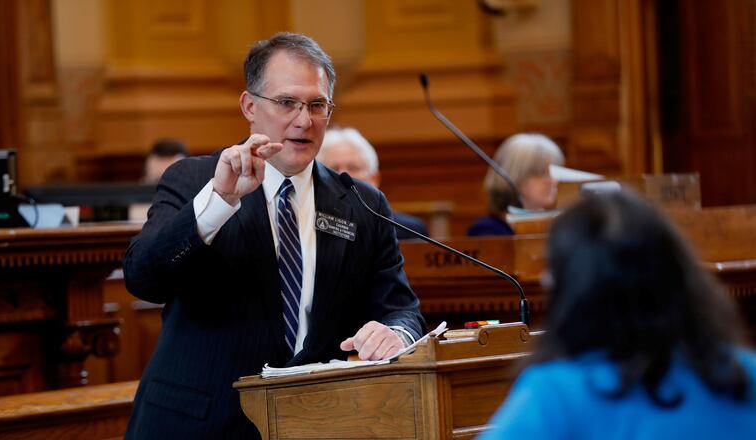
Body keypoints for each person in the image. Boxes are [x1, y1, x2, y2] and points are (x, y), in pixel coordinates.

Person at [122, 33, 426, 439]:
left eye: (317, 105)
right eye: (287, 103)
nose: (304, 120)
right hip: (199, 423)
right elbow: (144, 279)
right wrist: (218, 202)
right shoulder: (195, 180)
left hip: (313, 424)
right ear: (250, 106)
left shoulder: (360, 203)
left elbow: (402, 309)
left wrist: (396, 333)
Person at [479, 190, 756, 439]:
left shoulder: (555, 396)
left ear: (575, 288)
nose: (543, 280)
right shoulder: (744, 373)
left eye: (551, 271)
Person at [317, 127, 429, 240]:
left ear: (374, 179)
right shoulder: (309, 228)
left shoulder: (410, 231)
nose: (343, 175)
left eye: (353, 168)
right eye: (333, 169)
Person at [467, 133, 564, 236]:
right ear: (514, 176)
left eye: (552, 172)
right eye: (540, 173)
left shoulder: (560, 227)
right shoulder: (486, 231)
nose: (552, 181)